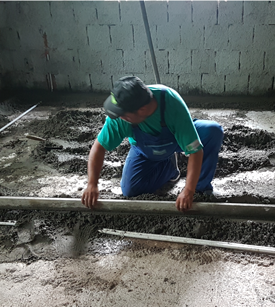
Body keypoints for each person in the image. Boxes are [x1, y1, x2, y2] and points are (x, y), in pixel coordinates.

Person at [81, 76, 224, 212]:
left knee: (212, 131)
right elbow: (99, 147)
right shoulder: (121, 116)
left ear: (142, 110)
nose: (120, 118)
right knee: (130, 190)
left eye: (124, 115)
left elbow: (195, 151)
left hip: (175, 140)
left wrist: (189, 190)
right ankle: (170, 168)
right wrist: (92, 184)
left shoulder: (171, 104)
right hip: (145, 151)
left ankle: (201, 188)